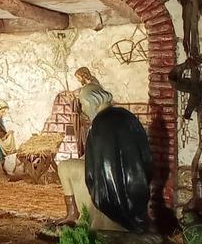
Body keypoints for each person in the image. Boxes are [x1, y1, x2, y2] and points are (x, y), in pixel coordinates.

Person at [56, 67, 152, 234]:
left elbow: (102, 164)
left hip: (114, 186)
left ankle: (74, 213)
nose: (84, 110)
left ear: (91, 102)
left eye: (84, 105)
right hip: (135, 180)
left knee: (64, 166)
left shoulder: (101, 123)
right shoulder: (125, 115)